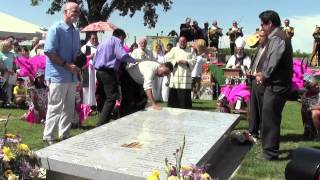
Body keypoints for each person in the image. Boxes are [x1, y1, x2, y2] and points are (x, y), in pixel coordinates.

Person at [256, 10, 293, 160]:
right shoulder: (277, 37)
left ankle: (270, 154)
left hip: (277, 85)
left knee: (270, 118)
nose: (261, 27)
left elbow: (273, 60)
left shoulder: (278, 38)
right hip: (276, 84)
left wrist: (264, 75)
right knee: (269, 116)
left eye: (263, 24)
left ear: (270, 23)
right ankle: (269, 150)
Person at [43, 2, 81, 145]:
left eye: (78, 11)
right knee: (55, 106)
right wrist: (66, 65)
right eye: (74, 11)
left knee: (69, 107)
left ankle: (65, 134)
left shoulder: (76, 31)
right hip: (58, 75)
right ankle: (49, 137)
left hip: (71, 76)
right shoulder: (55, 29)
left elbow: (76, 53)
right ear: (65, 12)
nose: (77, 13)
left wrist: (79, 62)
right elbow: (50, 52)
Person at [93, 28, 136, 126]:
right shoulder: (117, 41)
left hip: (99, 71)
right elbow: (121, 56)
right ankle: (101, 123)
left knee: (103, 96)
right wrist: (134, 60)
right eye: (123, 39)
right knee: (111, 98)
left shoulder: (103, 42)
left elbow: (95, 59)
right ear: (120, 36)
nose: (123, 42)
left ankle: (103, 117)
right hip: (108, 72)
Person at [248, 30, 268, 138]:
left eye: (261, 36)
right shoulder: (258, 48)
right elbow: (255, 63)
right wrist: (250, 71)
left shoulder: (269, 49)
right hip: (253, 80)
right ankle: (253, 131)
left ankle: (263, 131)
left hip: (262, 81)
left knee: (262, 108)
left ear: (266, 37)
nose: (258, 38)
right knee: (254, 108)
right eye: (258, 36)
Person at [166, 36, 196, 109]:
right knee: (174, 92)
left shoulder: (191, 50)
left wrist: (186, 62)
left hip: (186, 76)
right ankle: (173, 107)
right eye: (181, 41)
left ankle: (185, 107)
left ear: (186, 42)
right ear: (178, 42)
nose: (182, 43)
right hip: (176, 75)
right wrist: (176, 61)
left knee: (185, 94)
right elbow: (169, 59)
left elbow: (194, 60)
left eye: (184, 41)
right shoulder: (173, 49)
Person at [81, 32, 98, 107]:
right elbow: (81, 58)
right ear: (89, 39)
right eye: (93, 38)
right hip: (88, 70)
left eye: (96, 38)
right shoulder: (85, 47)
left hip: (96, 70)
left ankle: (95, 102)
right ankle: (87, 104)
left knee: (95, 85)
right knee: (88, 86)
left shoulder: (99, 46)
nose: (94, 40)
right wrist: (89, 56)